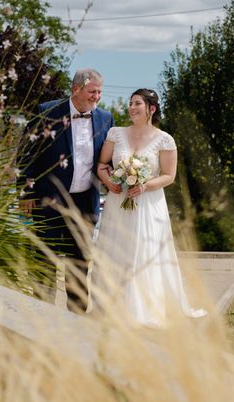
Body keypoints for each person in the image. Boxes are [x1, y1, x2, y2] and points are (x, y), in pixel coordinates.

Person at [92, 88, 206, 328]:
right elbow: (102, 164)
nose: (132, 108)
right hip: (117, 203)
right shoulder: (116, 134)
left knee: (144, 252)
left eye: (137, 104)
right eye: (131, 103)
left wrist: (144, 186)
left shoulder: (164, 139)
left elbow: (169, 176)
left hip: (148, 204)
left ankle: (143, 307)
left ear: (151, 109)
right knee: (116, 250)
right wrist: (109, 181)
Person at [16, 68, 114, 313]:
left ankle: (78, 318)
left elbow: (107, 160)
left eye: (100, 92)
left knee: (80, 262)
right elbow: (26, 155)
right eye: (92, 92)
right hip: (48, 200)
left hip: (84, 203)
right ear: (76, 89)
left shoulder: (105, 118)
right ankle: (42, 315)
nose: (96, 97)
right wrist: (26, 193)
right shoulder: (47, 112)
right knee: (45, 259)